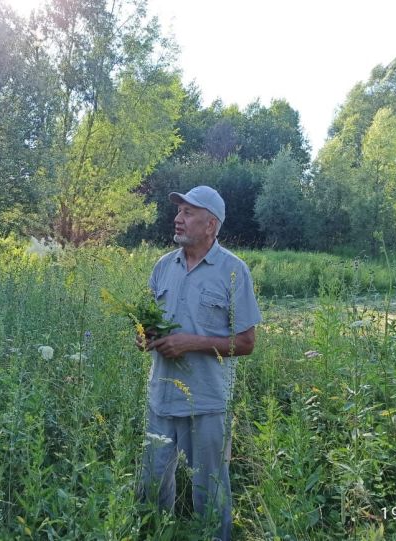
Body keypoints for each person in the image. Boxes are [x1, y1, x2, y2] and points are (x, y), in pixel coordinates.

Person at [137, 185, 262, 541]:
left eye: (188, 213)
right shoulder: (163, 266)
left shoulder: (233, 271)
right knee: (151, 487)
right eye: (179, 211)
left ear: (211, 225)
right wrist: (145, 336)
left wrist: (192, 343)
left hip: (206, 404)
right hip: (160, 398)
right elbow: (150, 322)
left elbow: (247, 343)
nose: (178, 218)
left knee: (210, 491)